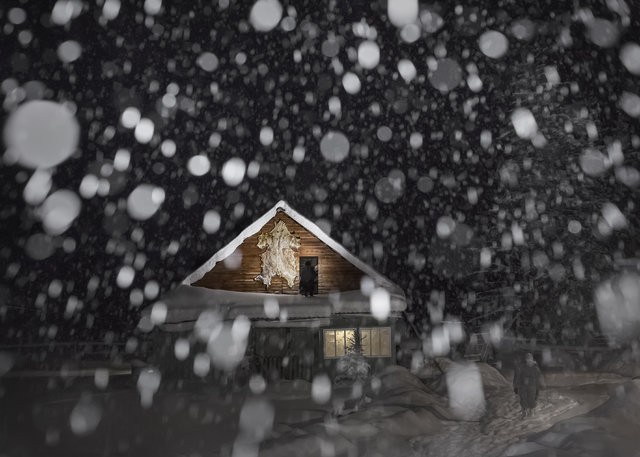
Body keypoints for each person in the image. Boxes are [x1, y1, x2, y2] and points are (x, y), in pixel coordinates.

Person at [513, 352, 542, 418]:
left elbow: (538, 379)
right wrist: (516, 387)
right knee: (523, 399)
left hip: (532, 386)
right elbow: (518, 377)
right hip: (523, 386)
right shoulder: (522, 367)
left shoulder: (536, 368)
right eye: (527, 359)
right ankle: (524, 413)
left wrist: (537, 390)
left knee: (531, 400)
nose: (529, 360)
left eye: (530, 359)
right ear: (526, 359)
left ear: (532, 359)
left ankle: (532, 413)